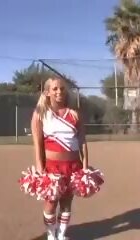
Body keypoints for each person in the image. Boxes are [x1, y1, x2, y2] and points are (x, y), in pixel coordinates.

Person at [31, 77, 88, 240]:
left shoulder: (75, 113)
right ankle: (51, 235)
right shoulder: (40, 113)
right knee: (50, 203)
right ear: (47, 92)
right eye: (55, 89)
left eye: (62, 88)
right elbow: (38, 145)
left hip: (73, 166)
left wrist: (85, 168)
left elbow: (82, 142)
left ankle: (62, 235)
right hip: (51, 168)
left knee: (66, 203)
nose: (59, 92)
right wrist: (40, 169)